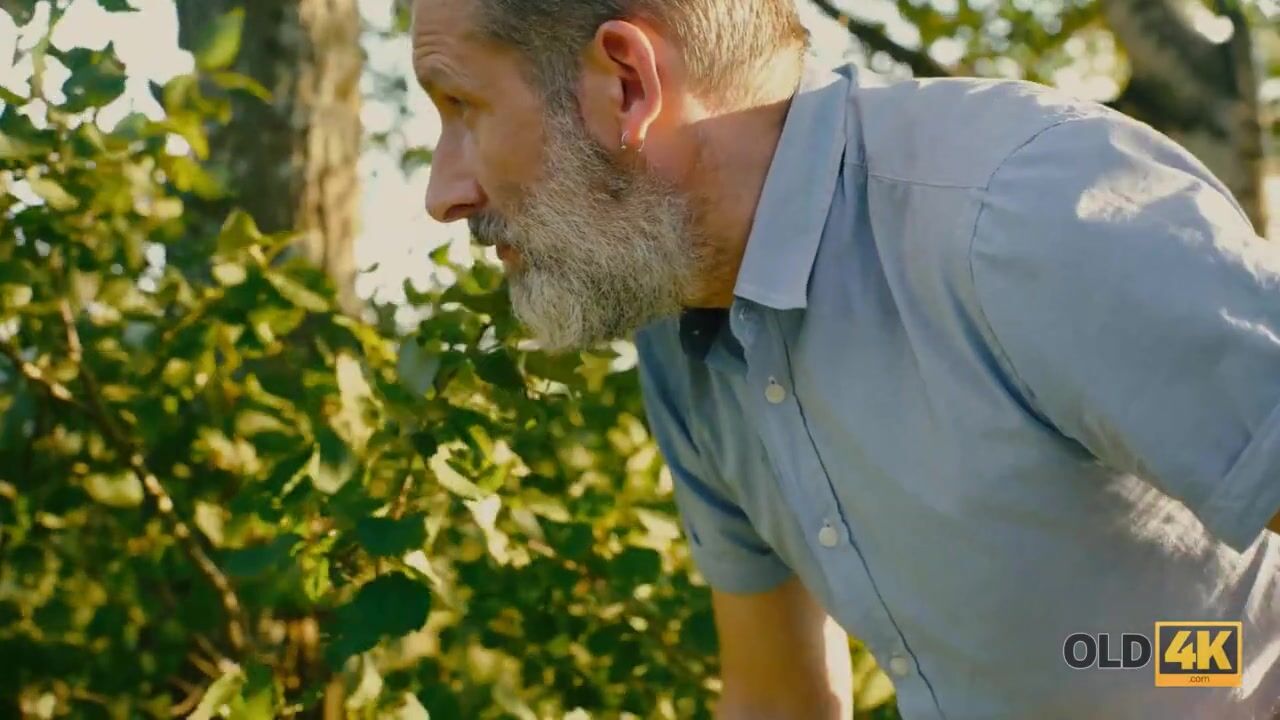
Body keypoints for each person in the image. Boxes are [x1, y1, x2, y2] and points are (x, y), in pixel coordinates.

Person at [411, 0, 1280, 717]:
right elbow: (775, 700)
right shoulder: (682, 333)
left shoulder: (1025, 208)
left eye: (461, 106)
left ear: (628, 84)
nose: (443, 194)